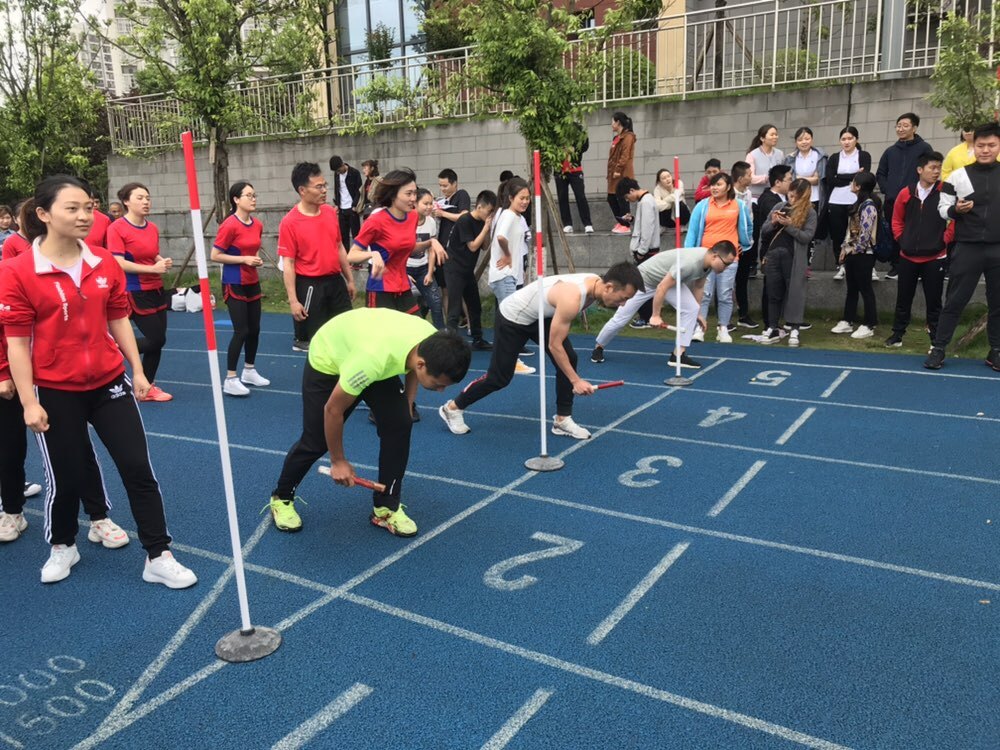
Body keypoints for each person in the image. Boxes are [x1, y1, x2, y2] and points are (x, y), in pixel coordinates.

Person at [0, 175, 197, 587]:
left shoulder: (103, 261)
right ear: (44, 214)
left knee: (137, 467)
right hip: (55, 389)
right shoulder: (17, 270)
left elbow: (118, 317)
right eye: (72, 208)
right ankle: (63, 545)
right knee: (67, 474)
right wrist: (29, 402)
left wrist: (137, 370)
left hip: (109, 382)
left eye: (88, 207)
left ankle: (158, 554)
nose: (85, 216)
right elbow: (17, 343)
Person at [266, 308, 471, 535]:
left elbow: (413, 368)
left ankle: (386, 508)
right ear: (423, 364)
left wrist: (407, 403)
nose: (441, 391)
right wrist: (338, 461)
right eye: (438, 384)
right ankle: (281, 497)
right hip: (331, 356)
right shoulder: (371, 360)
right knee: (317, 440)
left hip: (370, 351)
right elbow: (333, 410)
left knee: (400, 423)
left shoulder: (429, 341)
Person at [439, 263, 643, 439]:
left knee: (569, 358)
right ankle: (453, 408)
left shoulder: (594, 284)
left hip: (539, 316)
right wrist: (575, 381)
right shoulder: (572, 297)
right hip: (513, 317)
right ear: (609, 287)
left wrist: (572, 376)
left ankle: (562, 420)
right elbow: (555, 346)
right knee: (499, 378)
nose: (623, 304)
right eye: (623, 298)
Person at [591, 243, 737, 369]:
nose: (726, 268)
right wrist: (655, 315)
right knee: (621, 319)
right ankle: (599, 347)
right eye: (726, 264)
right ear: (715, 256)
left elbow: (699, 287)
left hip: (668, 281)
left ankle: (678, 355)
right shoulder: (690, 263)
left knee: (691, 308)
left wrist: (697, 313)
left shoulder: (709, 265)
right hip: (644, 281)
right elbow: (661, 287)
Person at [926, 122, 1000, 371]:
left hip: (998, 248)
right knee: (955, 300)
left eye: (991, 145)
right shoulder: (958, 176)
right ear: (973, 146)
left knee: (998, 303)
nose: (986, 150)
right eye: (981, 145)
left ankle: (996, 351)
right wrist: (956, 210)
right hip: (968, 247)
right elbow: (942, 209)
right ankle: (938, 349)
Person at [106, 182, 173, 403]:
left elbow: (151, 253)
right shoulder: (117, 228)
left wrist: (161, 260)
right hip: (134, 290)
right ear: (126, 202)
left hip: (156, 289)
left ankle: (147, 387)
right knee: (156, 339)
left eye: (148, 198)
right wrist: (152, 269)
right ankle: (112, 349)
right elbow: (118, 262)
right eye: (140, 198)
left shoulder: (152, 228)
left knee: (158, 341)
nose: (146, 202)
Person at [277, 162, 355, 353]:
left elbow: (339, 247)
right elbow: (288, 263)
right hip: (310, 285)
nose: (324, 190)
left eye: (325, 185)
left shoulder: (329, 212)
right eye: (319, 186)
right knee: (315, 344)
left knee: (346, 334)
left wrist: (350, 280)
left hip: (336, 282)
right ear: (302, 190)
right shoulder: (290, 222)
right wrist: (293, 300)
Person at [351, 169, 443, 320]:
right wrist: (373, 254)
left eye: (415, 193)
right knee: (385, 334)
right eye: (408, 194)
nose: (413, 198)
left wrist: (431, 242)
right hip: (380, 289)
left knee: (416, 330)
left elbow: (409, 248)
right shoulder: (376, 221)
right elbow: (351, 255)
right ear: (393, 194)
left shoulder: (412, 217)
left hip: (403, 286)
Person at [886, 152, 952, 348]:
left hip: (935, 256)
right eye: (932, 167)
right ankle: (897, 334)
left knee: (934, 301)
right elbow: (896, 219)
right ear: (920, 170)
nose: (936, 172)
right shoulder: (906, 192)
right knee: (903, 298)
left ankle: (935, 340)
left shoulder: (944, 191)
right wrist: (902, 239)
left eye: (939, 168)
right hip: (907, 255)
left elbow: (954, 219)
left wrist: (945, 240)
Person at [210, 181, 270, 397]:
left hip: (252, 281)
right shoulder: (229, 225)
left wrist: (255, 260)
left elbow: (253, 249)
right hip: (234, 282)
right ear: (236, 199)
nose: (253, 199)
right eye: (248, 195)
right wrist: (244, 259)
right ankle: (230, 378)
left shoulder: (257, 224)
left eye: (254, 195)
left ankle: (249, 370)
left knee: (255, 329)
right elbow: (215, 255)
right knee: (241, 330)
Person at [686, 173, 752, 343]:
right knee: (704, 293)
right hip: (705, 256)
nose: (714, 188)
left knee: (725, 294)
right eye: (712, 185)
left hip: (729, 259)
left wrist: (744, 244)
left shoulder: (738, 205)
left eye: (718, 184)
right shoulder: (702, 206)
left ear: (728, 187)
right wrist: (689, 253)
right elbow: (692, 231)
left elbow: (748, 226)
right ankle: (699, 328)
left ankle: (723, 328)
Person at [759, 179, 817, 347]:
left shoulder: (810, 212)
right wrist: (774, 222)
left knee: (795, 294)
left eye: (795, 195)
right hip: (773, 254)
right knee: (773, 292)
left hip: (794, 258)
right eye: (790, 193)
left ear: (803, 196)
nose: (791, 197)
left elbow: (807, 237)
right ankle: (772, 327)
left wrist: (790, 226)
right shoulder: (779, 206)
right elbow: (763, 230)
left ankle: (794, 328)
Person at [876, 112, 934, 280]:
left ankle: (918, 267)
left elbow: (930, 171)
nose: (901, 129)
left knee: (916, 232)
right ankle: (896, 266)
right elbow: (881, 173)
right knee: (895, 233)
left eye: (905, 126)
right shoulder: (890, 151)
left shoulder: (924, 148)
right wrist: (888, 190)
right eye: (898, 126)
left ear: (914, 128)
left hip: (916, 199)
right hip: (893, 200)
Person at [831, 172, 881, 339]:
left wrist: (853, 249)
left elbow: (865, 235)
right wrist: (844, 249)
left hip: (864, 254)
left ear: (859, 186)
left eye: (853, 182)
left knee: (865, 289)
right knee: (852, 288)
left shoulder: (869, 206)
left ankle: (870, 323)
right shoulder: (857, 204)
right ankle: (847, 320)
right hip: (852, 252)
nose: (851, 184)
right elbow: (850, 231)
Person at [445, 190, 495, 351]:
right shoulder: (465, 220)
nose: (490, 215)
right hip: (454, 268)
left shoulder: (482, 222)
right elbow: (472, 246)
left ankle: (477, 339)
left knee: (475, 306)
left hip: (467, 270)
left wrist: (487, 229)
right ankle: (450, 344)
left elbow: (484, 246)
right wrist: (486, 228)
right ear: (479, 207)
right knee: (454, 308)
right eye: (489, 211)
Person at [745, 165, 791, 330]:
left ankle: (776, 321)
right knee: (770, 287)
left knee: (778, 286)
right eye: (789, 179)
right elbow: (769, 227)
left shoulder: (781, 198)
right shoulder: (770, 200)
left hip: (781, 249)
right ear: (778, 182)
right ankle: (769, 322)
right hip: (770, 249)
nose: (791, 183)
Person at [824, 126, 872, 281]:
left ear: (856, 139)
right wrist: (853, 176)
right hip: (836, 200)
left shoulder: (863, 155)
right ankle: (841, 265)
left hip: (856, 200)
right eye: (843, 139)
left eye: (850, 138)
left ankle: (862, 264)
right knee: (837, 235)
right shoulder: (834, 158)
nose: (846, 142)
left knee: (857, 233)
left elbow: (864, 177)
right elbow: (831, 179)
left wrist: (841, 177)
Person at [410, 189, 445, 329]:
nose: (429, 207)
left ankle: (440, 335)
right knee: (410, 309)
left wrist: (430, 272)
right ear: (415, 203)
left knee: (436, 303)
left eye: (431, 203)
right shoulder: (406, 220)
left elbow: (431, 249)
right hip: (405, 269)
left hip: (423, 268)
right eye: (425, 203)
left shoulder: (431, 222)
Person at [556, 128, 594, 234]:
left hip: (575, 169)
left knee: (580, 196)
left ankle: (587, 224)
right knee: (562, 197)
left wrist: (579, 137)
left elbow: (585, 146)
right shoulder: (556, 131)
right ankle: (567, 224)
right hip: (560, 170)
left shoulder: (576, 130)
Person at [607, 112, 636, 234]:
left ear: (618, 122)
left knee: (622, 198)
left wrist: (618, 170)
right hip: (613, 174)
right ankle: (621, 221)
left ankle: (626, 224)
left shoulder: (628, 137)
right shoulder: (616, 138)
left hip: (622, 174)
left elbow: (625, 156)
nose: (611, 124)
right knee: (611, 198)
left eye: (613, 122)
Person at [329, 155, 362, 246]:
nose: (338, 172)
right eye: (336, 171)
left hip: (352, 209)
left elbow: (359, 191)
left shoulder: (354, 173)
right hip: (342, 209)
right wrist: (337, 204)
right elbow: (337, 189)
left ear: (342, 164)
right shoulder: (337, 174)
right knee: (343, 236)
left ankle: (357, 254)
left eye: (339, 170)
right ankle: (346, 254)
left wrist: (355, 205)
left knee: (356, 235)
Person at [746, 124, 784, 203]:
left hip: (776, 196)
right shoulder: (752, 155)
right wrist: (767, 178)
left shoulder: (780, 154)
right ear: (762, 138)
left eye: (776, 134)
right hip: (757, 197)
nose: (775, 137)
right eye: (772, 135)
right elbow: (750, 178)